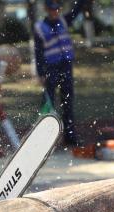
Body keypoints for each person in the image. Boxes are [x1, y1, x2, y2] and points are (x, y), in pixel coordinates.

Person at [33, 0, 86, 147]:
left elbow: (77, 10)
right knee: (48, 102)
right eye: (52, 9)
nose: (55, 12)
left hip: (66, 66)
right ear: (46, 9)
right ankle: (43, 138)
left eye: (57, 9)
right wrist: (40, 72)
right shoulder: (39, 27)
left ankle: (69, 136)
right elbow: (38, 51)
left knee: (68, 101)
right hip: (51, 68)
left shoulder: (64, 20)